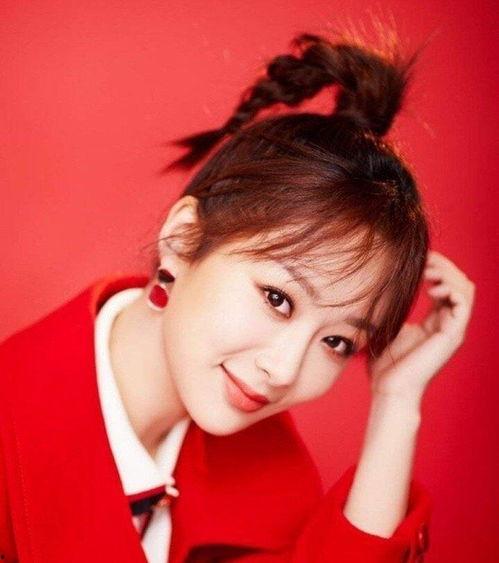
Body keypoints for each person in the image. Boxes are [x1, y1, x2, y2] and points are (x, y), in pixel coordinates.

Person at [0, 31, 475, 563]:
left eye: (337, 341)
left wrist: (397, 401)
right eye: (277, 298)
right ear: (183, 238)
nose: (284, 370)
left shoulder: (262, 469)